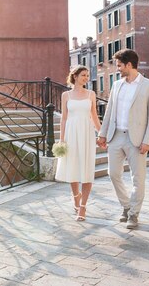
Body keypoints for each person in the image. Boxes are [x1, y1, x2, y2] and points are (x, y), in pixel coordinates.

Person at [97, 49, 149, 229]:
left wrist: (148, 140)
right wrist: (102, 134)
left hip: (137, 139)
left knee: (137, 178)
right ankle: (126, 206)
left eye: (119, 65)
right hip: (116, 136)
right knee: (113, 173)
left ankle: (133, 215)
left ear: (129, 65)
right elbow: (109, 112)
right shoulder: (117, 85)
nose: (117, 69)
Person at [55, 65, 102, 221]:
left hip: (87, 133)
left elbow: (94, 117)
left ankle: (83, 207)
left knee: (87, 169)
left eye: (87, 76)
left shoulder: (91, 94)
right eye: (83, 75)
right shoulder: (66, 95)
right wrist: (62, 139)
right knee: (73, 167)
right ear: (75, 76)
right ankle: (76, 196)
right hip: (70, 133)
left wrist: (101, 134)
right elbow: (63, 118)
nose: (86, 78)